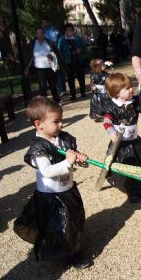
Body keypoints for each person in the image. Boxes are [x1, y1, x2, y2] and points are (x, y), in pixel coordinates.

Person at [14, 97, 92, 269]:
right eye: (56, 121)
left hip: (68, 190)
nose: (61, 125)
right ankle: (68, 254)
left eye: (61, 120)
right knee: (55, 227)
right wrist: (68, 162)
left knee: (72, 222)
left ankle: (72, 248)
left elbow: (76, 161)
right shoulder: (38, 148)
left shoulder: (64, 139)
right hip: (51, 196)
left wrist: (81, 159)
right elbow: (47, 172)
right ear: (38, 124)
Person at [101, 73, 141, 203]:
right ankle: (132, 190)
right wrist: (112, 132)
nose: (131, 89)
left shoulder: (134, 101)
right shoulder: (112, 107)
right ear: (116, 93)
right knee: (127, 166)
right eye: (127, 88)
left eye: (131, 86)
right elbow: (107, 121)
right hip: (121, 144)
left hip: (135, 140)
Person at [24, 27, 61, 103]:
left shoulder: (49, 43)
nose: (40, 35)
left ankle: (57, 101)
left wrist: (52, 57)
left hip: (49, 68)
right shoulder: (32, 44)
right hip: (39, 68)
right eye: (38, 33)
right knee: (42, 87)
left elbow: (55, 54)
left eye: (41, 33)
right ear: (36, 34)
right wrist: (27, 68)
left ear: (44, 34)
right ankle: (45, 103)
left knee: (52, 86)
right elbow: (30, 57)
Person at [57, 23, 87, 101]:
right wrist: (68, 54)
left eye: (71, 30)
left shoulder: (77, 38)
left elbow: (84, 47)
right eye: (68, 30)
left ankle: (83, 92)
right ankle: (73, 95)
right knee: (70, 79)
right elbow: (59, 52)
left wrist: (80, 50)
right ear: (65, 31)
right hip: (68, 62)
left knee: (81, 77)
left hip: (79, 61)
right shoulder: (62, 40)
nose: (70, 31)